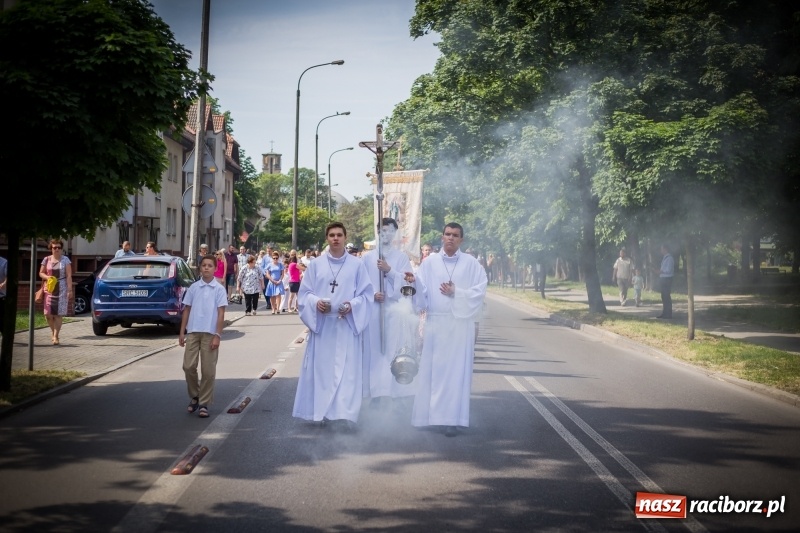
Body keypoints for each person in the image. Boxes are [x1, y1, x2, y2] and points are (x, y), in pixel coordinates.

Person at [404, 223, 487, 437]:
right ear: (442, 237)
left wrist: (456, 292)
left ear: (461, 240)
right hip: (436, 324)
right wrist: (413, 283)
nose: (450, 238)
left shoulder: (471, 264)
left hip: (460, 326)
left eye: (455, 235)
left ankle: (451, 419)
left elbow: (480, 292)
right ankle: (428, 417)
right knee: (433, 371)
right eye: (447, 234)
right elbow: (421, 292)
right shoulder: (429, 263)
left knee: (455, 374)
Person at [292, 222, 374, 433]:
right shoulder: (316, 265)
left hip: (346, 325)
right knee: (323, 372)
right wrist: (315, 302)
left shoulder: (357, 265)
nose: (335, 238)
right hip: (324, 326)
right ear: (327, 238)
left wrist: (351, 305)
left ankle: (345, 415)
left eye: (339, 235)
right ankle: (324, 413)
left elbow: (366, 295)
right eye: (331, 235)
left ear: (345, 238)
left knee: (348, 373)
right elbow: (304, 294)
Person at [362, 218, 415, 408]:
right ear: (377, 232)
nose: (386, 234)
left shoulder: (401, 258)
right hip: (373, 311)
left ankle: (394, 393)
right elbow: (360, 285)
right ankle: (376, 393)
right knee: (374, 351)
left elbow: (408, 284)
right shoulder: (367, 258)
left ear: (394, 233)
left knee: (392, 350)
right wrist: (371, 295)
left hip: (393, 312)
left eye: (390, 230)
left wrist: (390, 271)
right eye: (382, 230)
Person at [178, 253, 228, 418]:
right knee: (188, 366)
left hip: (209, 333)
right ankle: (195, 395)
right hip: (193, 332)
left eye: (210, 265)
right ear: (200, 268)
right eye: (204, 265)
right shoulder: (193, 287)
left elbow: (221, 314)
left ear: (214, 269)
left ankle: (204, 403)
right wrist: (182, 331)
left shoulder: (219, 289)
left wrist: (217, 335)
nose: (206, 268)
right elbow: (187, 309)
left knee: (208, 371)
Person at [39, 239, 73, 345]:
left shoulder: (66, 260)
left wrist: (69, 290)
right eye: (54, 247)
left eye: (59, 247)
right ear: (51, 248)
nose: (57, 249)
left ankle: (56, 336)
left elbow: (68, 275)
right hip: (49, 288)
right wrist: (47, 277)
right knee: (48, 314)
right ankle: (52, 331)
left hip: (62, 288)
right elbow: (41, 273)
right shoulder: (46, 259)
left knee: (58, 314)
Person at [657, 244, 674, 319]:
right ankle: (664, 312)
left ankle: (668, 313)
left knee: (666, 296)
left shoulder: (669, 258)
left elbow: (669, 270)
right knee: (663, 296)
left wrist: (661, 271)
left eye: (662, 249)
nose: (661, 251)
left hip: (667, 279)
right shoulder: (665, 258)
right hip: (663, 278)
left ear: (665, 249)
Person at [0, 254, 7, 335]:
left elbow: (8, 277)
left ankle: (5, 336)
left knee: (1, 320)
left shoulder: (4, 262)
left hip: (1, 296)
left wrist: (4, 283)